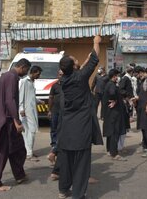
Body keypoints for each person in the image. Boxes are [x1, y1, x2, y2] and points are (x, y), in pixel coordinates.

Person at [58, 35, 102, 199]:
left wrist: (83, 61)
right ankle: (78, 194)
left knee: (67, 163)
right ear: (74, 66)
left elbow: (84, 66)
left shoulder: (64, 80)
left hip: (67, 128)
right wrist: (96, 43)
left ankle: (63, 190)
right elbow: (94, 59)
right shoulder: (81, 77)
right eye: (75, 59)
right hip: (81, 127)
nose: (78, 60)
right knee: (82, 164)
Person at [0, 58, 31, 192]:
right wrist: (16, 121)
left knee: (17, 149)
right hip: (5, 121)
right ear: (23, 67)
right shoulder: (12, 77)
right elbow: (9, 100)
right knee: (1, 152)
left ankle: (19, 175)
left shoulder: (6, 76)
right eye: (26, 70)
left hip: (4, 119)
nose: (26, 73)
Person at [102, 68, 127, 161]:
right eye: (117, 76)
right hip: (114, 113)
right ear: (114, 76)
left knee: (110, 131)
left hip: (109, 113)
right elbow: (112, 93)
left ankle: (109, 150)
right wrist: (115, 100)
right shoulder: (111, 85)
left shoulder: (108, 84)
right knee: (114, 132)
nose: (118, 78)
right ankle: (114, 153)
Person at [19, 65, 42, 161]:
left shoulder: (32, 82)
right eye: (38, 74)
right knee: (29, 131)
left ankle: (29, 151)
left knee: (30, 132)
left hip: (32, 110)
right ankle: (29, 153)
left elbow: (31, 96)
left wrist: (39, 101)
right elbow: (21, 96)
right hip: (25, 110)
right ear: (34, 72)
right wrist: (21, 109)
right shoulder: (24, 81)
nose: (39, 76)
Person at [47, 70, 63, 165]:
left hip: (64, 112)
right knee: (54, 129)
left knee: (61, 129)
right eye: (60, 75)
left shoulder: (67, 85)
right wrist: (49, 110)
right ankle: (54, 146)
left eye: (62, 74)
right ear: (58, 75)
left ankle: (57, 149)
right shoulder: (55, 85)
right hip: (55, 111)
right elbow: (50, 97)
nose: (61, 76)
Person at [117, 66, 134, 152]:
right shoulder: (125, 79)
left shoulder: (127, 78)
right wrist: (128, 97)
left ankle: (120, 146)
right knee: (124, 126)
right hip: (125, 103)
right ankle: (120, 147)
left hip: (127, 103)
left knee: (125, 126)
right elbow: (121, 90)